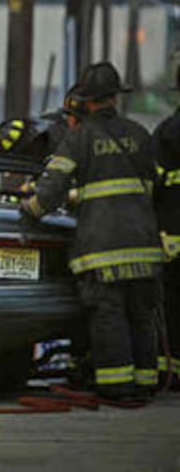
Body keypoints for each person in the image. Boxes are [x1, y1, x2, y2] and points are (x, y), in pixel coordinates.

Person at [21, 62, 163, 402]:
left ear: (85, 101)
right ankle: (146, 383)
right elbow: (151, 186)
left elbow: (49, 193)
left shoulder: (78, 139)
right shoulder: (140, 134)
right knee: (142, 316)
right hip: (144, 246)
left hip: (102, 250)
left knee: (109, 317)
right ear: (115, 97)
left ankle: (118, 388)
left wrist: (29, 209)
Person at [151, 64, 180, 389]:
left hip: (172, 235)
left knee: (171, 304)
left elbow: (152, 184)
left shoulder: (169, 132)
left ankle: (170, 373)